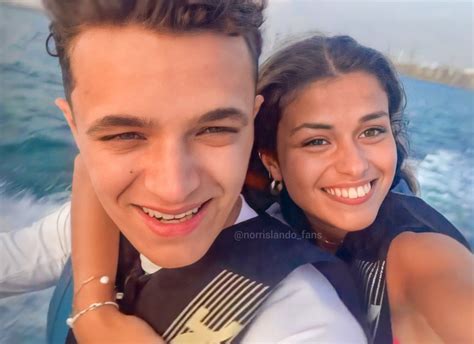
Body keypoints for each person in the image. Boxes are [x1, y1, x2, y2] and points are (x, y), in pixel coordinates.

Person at [1, 1, 367, 343]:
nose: (173, 190)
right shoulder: (93, 224)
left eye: (214, 129)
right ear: (74, 127)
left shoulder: (307, 325)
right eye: (125, 135)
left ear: (252, 123)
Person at [248, 34, 473, 343]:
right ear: (272, 160)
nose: (355, 166)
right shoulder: (254, 225)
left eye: (371, 131)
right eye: (317, 141)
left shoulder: (420, 254)